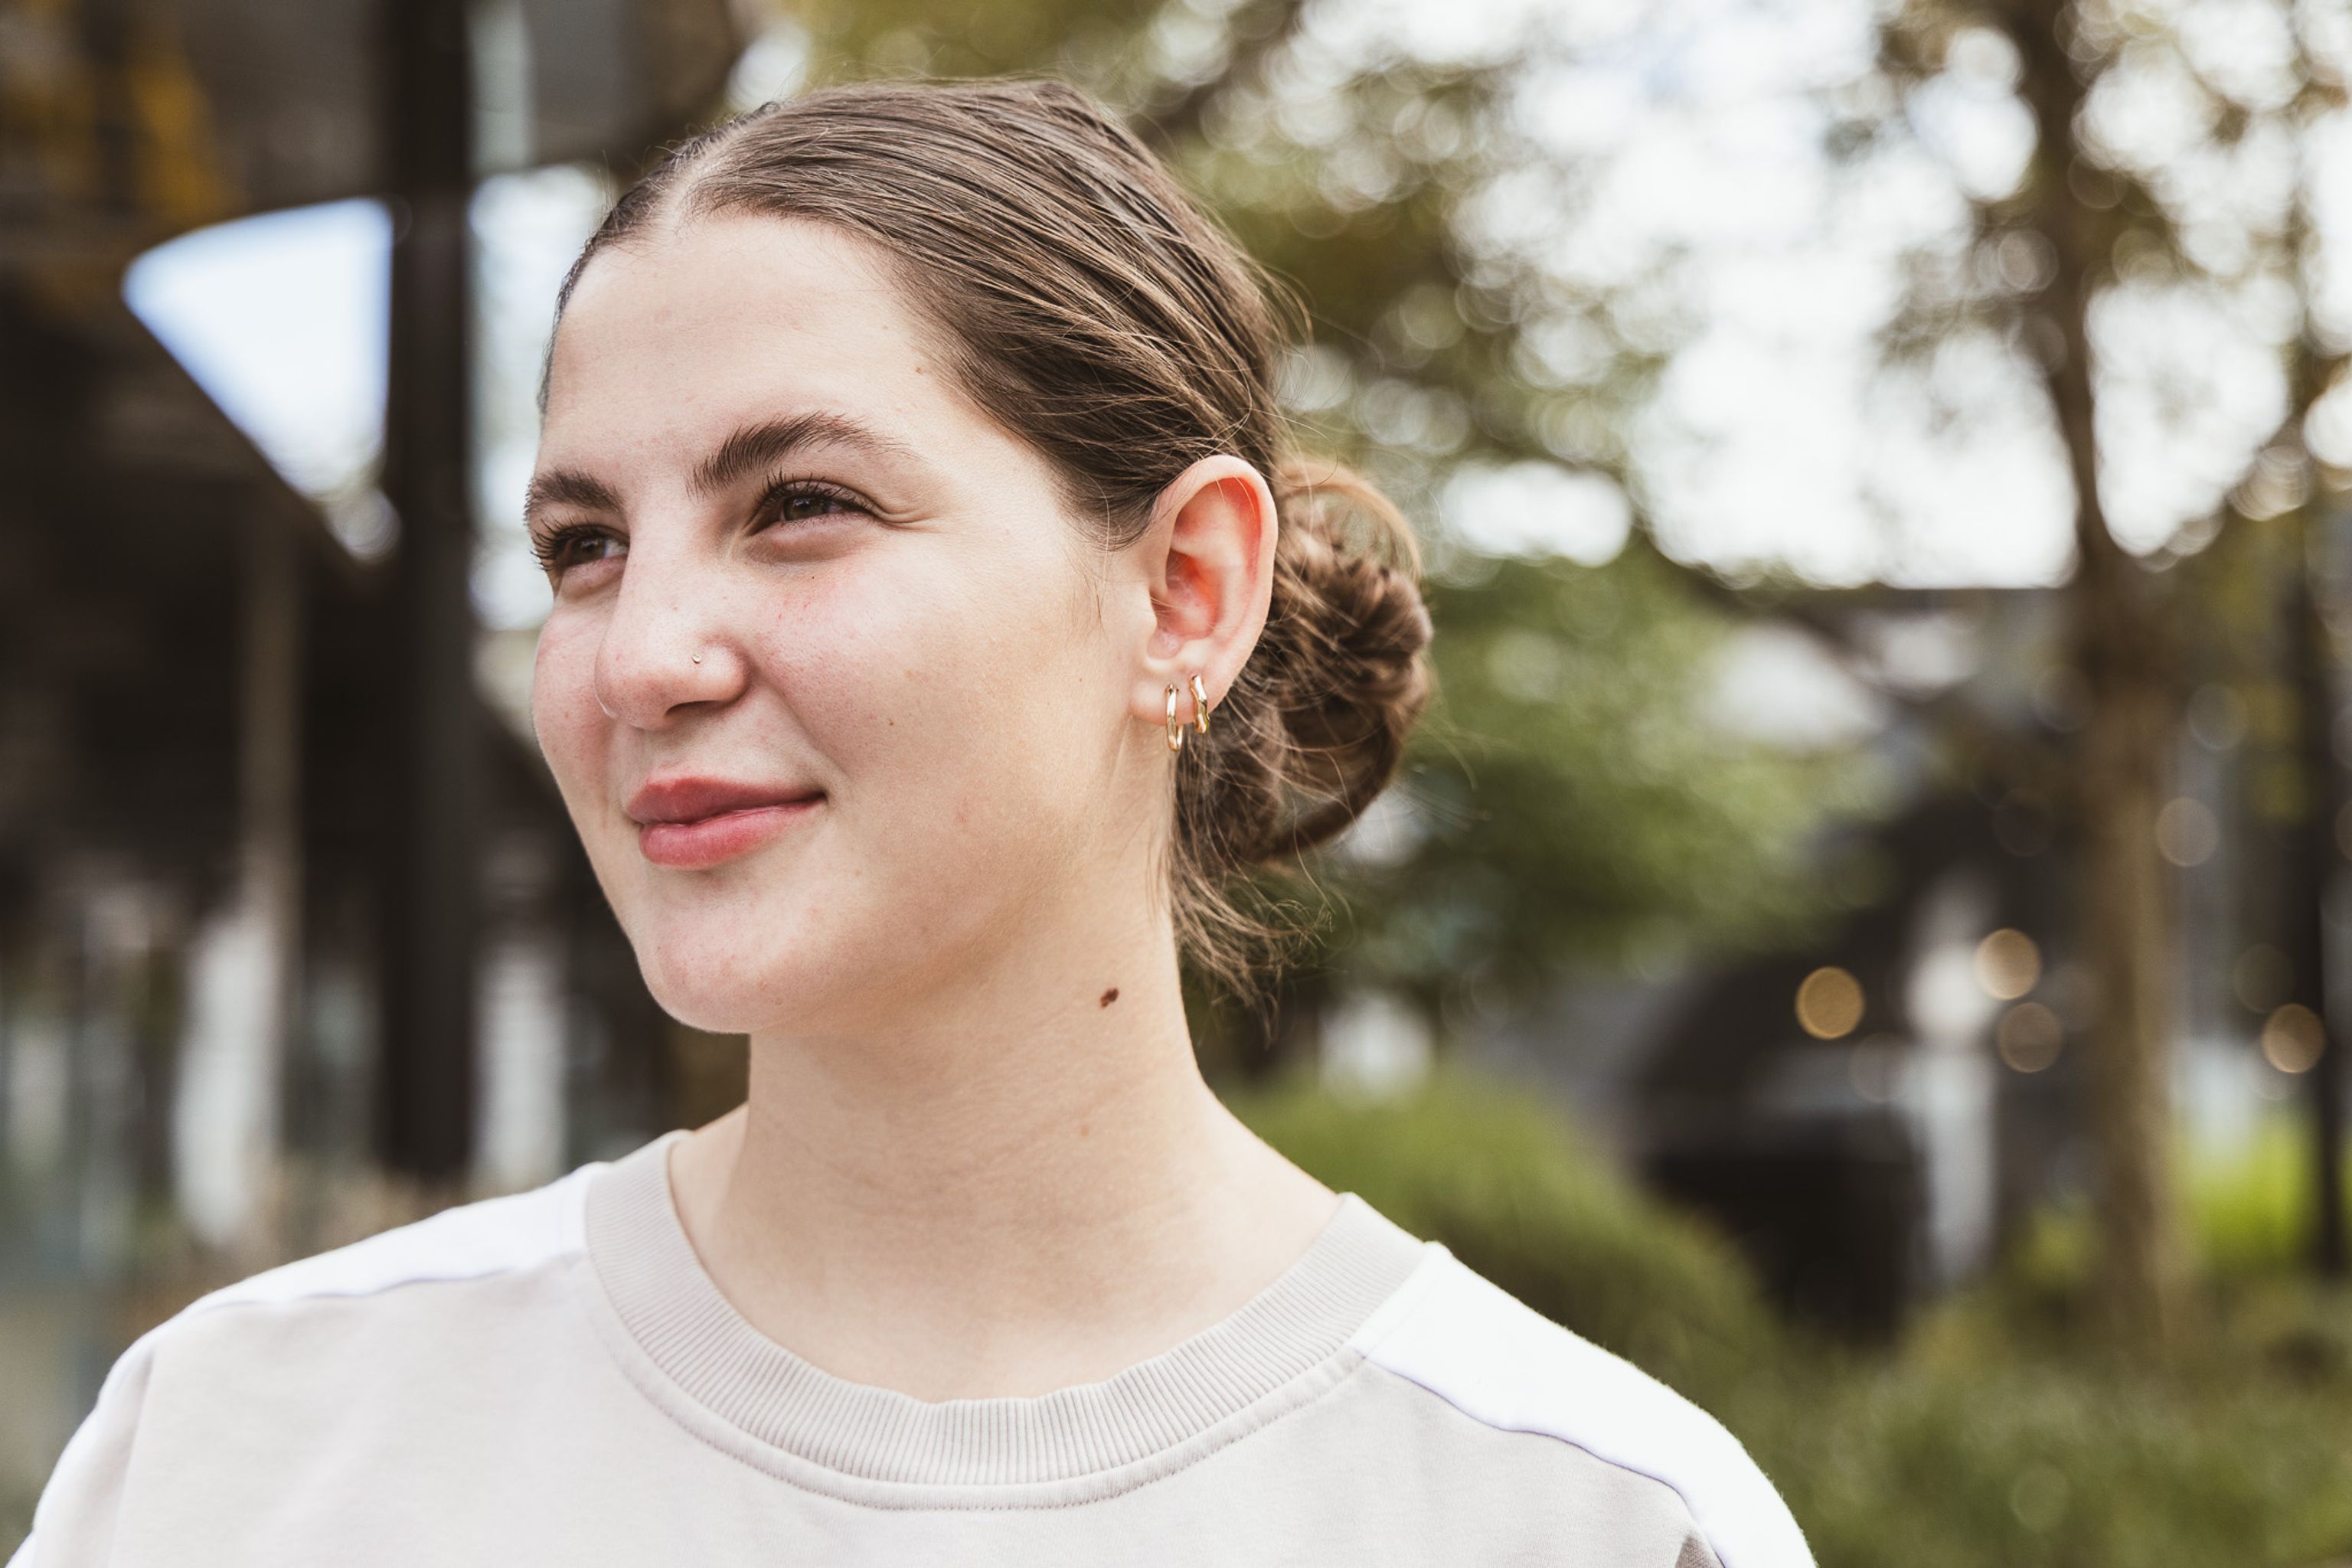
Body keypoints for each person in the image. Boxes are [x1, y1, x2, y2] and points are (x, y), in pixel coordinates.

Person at [13, 78, 1811, 1568]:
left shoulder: (1579, 1518)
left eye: (799, 502)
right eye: (584, 545)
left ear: (1187, 590)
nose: (641, 656)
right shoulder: (240, 1453)